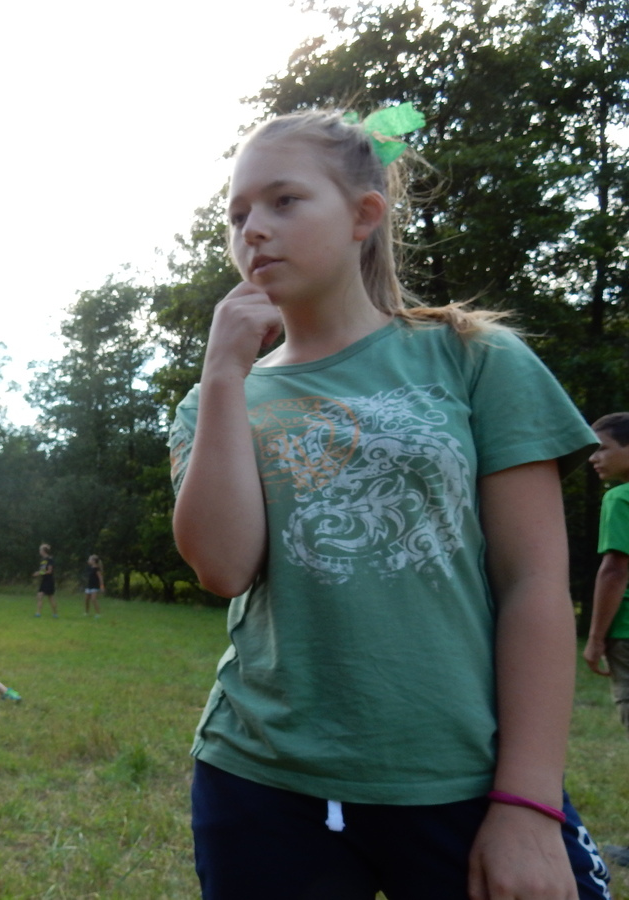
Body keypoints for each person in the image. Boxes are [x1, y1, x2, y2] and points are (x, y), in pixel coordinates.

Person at [169, 107, 611, 899]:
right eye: (236, 215)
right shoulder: (213, 400)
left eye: (284, 201)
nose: (253, 229)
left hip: (462, 781)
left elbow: (535, 584)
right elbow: (224, 567)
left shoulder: (472, 356)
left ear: (364, 215)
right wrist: (223, 374)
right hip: (262, 782)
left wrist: (527, 804)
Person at [582, 413, 629, 867]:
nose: (594, 458)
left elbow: (615, 570)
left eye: (602, 448)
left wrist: (595, 638)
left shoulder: (621, 498)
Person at [34, 543, 57, 618]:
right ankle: (38, 613)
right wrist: (39, 573)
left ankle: (55, 614)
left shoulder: (50, 560)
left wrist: (39, 573)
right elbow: (43, 570)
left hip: (49, 580)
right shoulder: (43, 560)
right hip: (44, 580)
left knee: (50, 597)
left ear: (44, 551)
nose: (39, 551)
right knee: (39, 595)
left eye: (40, 550)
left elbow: (50, 571)